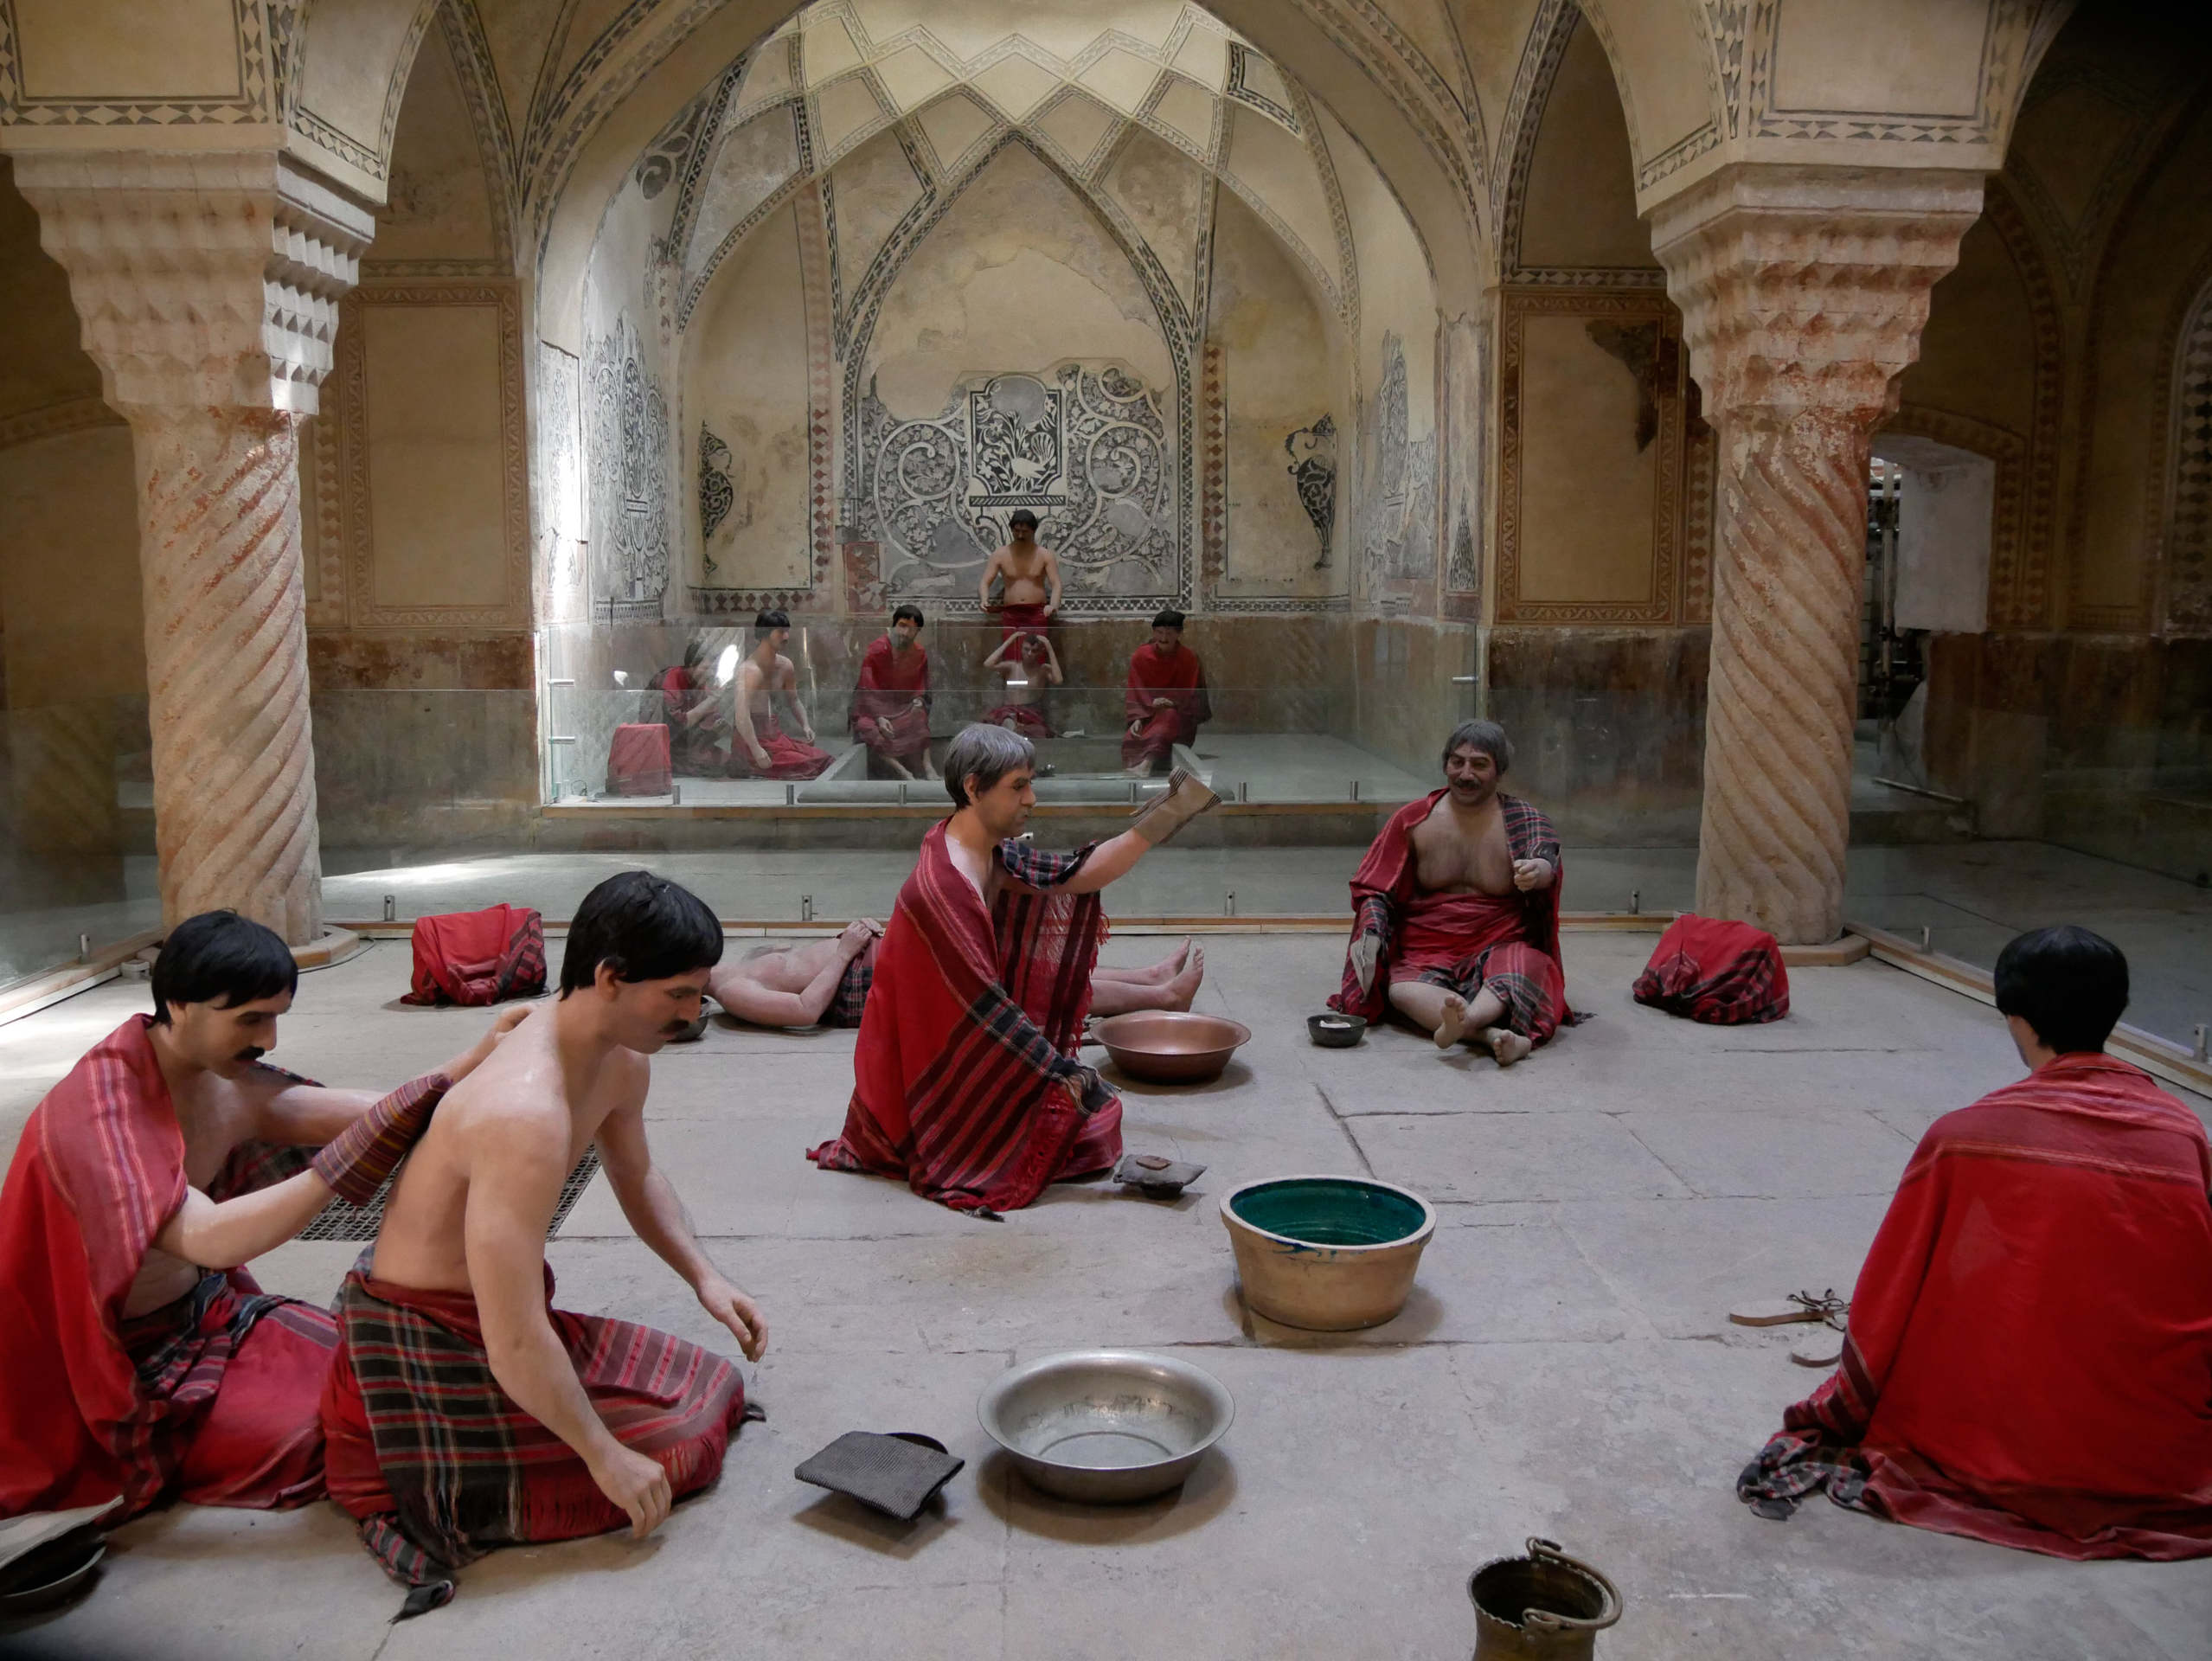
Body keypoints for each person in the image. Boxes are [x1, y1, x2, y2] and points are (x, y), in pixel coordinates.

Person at [320, 872, 766, 1614]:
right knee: (677, 1447)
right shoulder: (523, 1110)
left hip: (495, 1319)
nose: (692, 1016)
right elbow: (517, 1338)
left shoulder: (621, 1057)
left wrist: (705, 1279)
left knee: (711, 1386)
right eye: (678, 996)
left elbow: (639, 1176)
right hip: (424, 1344)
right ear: (609, 978)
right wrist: (604, 1459)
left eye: (699, 995)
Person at [0, 911, 514, 1523]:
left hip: (212, 1320)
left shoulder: (222, 1080)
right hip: (121, 1376)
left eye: (274, 1018)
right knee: (341, 1436)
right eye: (250, 1019)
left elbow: (379, 1116)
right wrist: (337, 1170)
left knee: (393, 1384)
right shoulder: (100, 1117)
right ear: (179, 1005)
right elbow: (210, 1239)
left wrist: (480, 1059)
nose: (268, 1040)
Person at [1738, 927, 2212, 1561]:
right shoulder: (2183, 1131)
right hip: (2160, 1452)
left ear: (2014, 1020)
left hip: (2000, 1446)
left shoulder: (1966, 1139)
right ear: (2117, 1011)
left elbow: (1892, 1299)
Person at [809, 724, 1218, 1213]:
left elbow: (1077, 874)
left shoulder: (974, 846)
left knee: (1089, 1124)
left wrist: (1168, 813)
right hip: (908, 1082)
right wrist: (1067, 1078)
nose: (1032, 798)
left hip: (936, 1043)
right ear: (973, 788)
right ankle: (1151, 997)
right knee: (1093, 1115)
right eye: (1018, 786)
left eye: (1030, 783)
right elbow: (986, 1014)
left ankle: (1151, 991)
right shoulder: (946, 886)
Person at [1326, 720, 1566, 1067]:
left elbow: (1547, 860)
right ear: (1445, 764)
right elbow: (1373, 886)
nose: (1465, 774)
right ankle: (1491, 1036)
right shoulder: (1413, 820)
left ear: (1500, 770)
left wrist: (1536, 873)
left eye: (1479, 764)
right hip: (1428, 951)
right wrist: (1373, 932)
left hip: (1499, 945)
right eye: (1457, 762)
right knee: (1401, 990)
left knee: (1530, 965)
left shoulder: (1525, 820)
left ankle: (1466, 1021)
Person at [709, 919, 1204, 1030]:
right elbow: (804, 1011)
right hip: (877, 985)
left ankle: (1148, 977)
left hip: (881, 959)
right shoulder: (732, 990)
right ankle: (1162, 1000)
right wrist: (844, 952)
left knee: (1026, 971)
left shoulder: (735, 964)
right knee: (1026, 987)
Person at [732, 609, 831, 780]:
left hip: (775, 736)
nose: (786, 637)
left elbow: (794, 700)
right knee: (809, 767)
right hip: (752, 740)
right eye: (780, 632)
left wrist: (806, 726)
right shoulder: (750, 670)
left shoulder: (785, 666)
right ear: (764, 634)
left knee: (824, 760)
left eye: (787, 632)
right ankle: (752, 767)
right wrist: (756, 750)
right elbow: (741, 715)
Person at [851, 605, 936, 781]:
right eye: (902, 626)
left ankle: (928, 769)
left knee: (920, 717)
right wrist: (880, 717)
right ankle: (903, 772)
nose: (905, 633)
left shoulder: (919, 653)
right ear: (894, 625)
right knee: (865, 726)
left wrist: (918, 701)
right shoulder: (876, 650)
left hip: (902, 708)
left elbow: (921, 687)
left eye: (911, 629)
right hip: (873, 712)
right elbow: (866, 690)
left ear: (917, 632)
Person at [1122, 609, 1209, 776]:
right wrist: (1138, 718)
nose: (1163, 638)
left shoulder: (1188, 658)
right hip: (1147, 713)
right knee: (1132, 737)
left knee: (1168, 716)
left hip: (1178, 716)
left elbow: (1190, 693)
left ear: (1179, 633)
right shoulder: (1141, 656)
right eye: (1159, 632)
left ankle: (1146, 765)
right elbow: (1136, 689)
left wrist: (1171, 702)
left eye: (1169, 633)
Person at [978, 509, 1061, 640]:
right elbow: (985, 582)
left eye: (1025, 532)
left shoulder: (1045, 555)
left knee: (1035, 654)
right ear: (1012, 530)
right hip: (1011, 612)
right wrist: (984, 600)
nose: (1020, 535)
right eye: (1017, 531)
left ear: (1033, 531)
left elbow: (1056, 584)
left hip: (1037, 612)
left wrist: (1053, 605)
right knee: (1011, 657)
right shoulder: (1000, 554)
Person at [654, 638, 731, 776]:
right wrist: (714, 699)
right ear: (692, 666)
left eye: (713, 669)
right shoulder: (670, 681)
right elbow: (679, 724)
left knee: (736, 764)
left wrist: (718, 728)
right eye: (707, 668)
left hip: (693, 746)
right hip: (667, 747)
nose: (710, 674)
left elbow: (711, 718)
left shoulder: (700, 684)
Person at [981, 630, 1061, 741]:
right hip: (1009, 711)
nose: (1029, 654)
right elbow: (988, 664)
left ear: (1041, 652)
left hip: (1030, 713)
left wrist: (1049, 648)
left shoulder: (1043, 669)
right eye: (1026, 649)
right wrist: (1009, 641)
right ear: (1021, 649)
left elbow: (1058, 680)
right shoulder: (1012, 666)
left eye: (1034, 651)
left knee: (1040, 731)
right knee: (1008, 722)